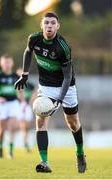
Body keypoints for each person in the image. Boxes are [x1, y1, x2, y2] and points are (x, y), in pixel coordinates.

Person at [14, 12, 87, 173]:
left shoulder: (63, 47)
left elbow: (68, 77)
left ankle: (80, 153)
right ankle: (44, 162)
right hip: (46, 86)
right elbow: (28, 52)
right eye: (46, 22)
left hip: (66, 87)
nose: (49, 25)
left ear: (57, 26)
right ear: (42, 25)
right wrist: (24, 75)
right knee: (40, 121)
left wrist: (59, 101)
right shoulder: (34, 39)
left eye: (53, 23)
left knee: (73, 123)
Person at [0, 54, 20, 159]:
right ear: (1, 63)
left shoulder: (16, 76)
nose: (7, 64)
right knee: (1, 130)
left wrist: (23, 101)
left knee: (13, 127)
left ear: (12, 63)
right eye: (5, 62)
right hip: (1, 104)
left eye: (8, 62)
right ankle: (0, 148)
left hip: (13, 103)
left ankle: (10, 151)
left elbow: (20, 91)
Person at [16, 68, 36, 152]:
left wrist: (31, 101)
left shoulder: (30, 84)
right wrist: (23, 103)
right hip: (20, 106)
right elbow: (18, 93)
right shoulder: (17, 84)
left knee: (27, 127)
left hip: (28, 106)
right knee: (23, 126)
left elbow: (35, 91)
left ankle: (25, 142)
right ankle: (24, 143)